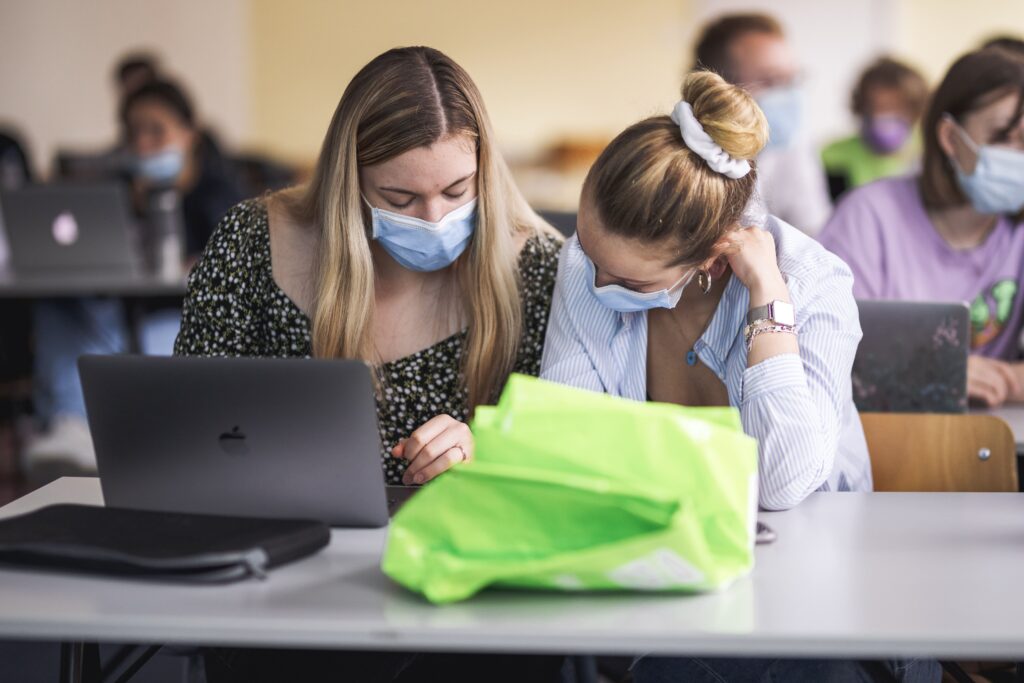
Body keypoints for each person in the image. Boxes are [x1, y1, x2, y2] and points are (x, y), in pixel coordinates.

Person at [173, 46, 564, 681]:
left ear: (485, 172)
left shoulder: (539, 264)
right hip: (285, 577)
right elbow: (188, 426)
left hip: (466, 585)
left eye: (457, 191)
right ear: (349, 182)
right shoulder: (253, 240)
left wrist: (490, 449)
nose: (434, 219)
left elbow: (574, 447)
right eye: (400, 197)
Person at [540, 67, 937, 683]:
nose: (596, 286)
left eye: (631, 282)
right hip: (660, 579)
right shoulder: (590, 261)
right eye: (590, 257)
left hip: (819, 593)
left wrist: (768, 300)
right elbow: (567, 444)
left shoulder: (812, 283)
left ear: (709, 259)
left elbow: (781, 485)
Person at [25, 79, 242, 484]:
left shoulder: (221, 195)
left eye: (156, 131)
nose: (144, 144)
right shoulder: (117, 193)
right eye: (133, 134)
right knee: (60, 308)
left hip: (179, 319)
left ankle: (123, 438)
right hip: (121, 316)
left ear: (189, 134)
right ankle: (70, 427)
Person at [820, 47, 1024, 408]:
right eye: (1004, 137)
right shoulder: (867, 216)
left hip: (988, 442)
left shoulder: (1017, 232)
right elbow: (821, 347)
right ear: (950, 138)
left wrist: (1008, 380)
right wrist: (936, 370)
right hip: (883, 438)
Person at [693, 12, 832, 235]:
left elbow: (816, 232)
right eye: (772, 80)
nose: (790, 95)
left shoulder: (792, 145)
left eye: (792, 80)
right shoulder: (683, 159)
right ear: (718, 87)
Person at [822, 57, 929, 200]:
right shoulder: (831, 156)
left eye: (897, 107)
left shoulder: (927, 156)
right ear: (861, 107)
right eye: (878, 107)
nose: (885, 115)